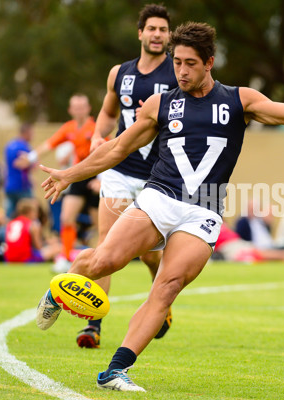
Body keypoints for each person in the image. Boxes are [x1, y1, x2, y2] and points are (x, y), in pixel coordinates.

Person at [36, 21, 284, 392]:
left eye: (190, 64)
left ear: (209, 62)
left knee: (166, 288)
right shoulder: (161, 103)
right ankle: (59, 289)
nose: (181, 71)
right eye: (177, 62)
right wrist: (71, 174)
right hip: (159, 198)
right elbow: (118, 148)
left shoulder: (238, 100)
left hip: (205, 210)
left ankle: (116, 370)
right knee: (104, 262)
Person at [75, 3, 179, 350]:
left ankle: (160, 303)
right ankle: (93, 324)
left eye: (163, 30)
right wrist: (96, 136)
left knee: (150, 255)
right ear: (140, 33)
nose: (157, 34)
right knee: (106, 246)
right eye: (152, 28)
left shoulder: (178, 75)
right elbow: (107, 114)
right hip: (120, 172)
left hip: (158, 177)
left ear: (168, 36)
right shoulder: (119, 73)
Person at [15, 94, 100, 270]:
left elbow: (108, 153)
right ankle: (66, 257)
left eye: (82, 106)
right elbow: (50, 144)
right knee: (66, 218)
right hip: (78, 175)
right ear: (70, 110)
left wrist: (101, 179)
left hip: (97, 177)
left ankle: (105, 259)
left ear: (88, 108)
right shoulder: (69, 128)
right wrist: (30, 158)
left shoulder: (97, 127)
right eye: (75, 107)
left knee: (102, 225)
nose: (78, 110)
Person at [4, 198, 61, 263]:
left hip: (9, 258)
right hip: (25, 258)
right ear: (29, 212)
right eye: (35, 212)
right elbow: (39, 247)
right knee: (57, 248)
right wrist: (48, 243)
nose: (36, 215)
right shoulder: (32, 225)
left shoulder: (11, 223)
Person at [214, 222, 284, 263]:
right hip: (227, 246)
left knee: (257, 250)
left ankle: (283, 255)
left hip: (237, 242)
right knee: (255, 254)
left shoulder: (223, 225)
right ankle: (282, 256)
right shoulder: (212, 229)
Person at [4, 123, 35, 218]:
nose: (33, 136)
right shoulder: (24, 147)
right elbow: (22, 164)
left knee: (10, 215)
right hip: (22, 186)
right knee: (29, 213)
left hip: (9, 185)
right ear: (26, 133)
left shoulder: (9, 145)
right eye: (31, 133)